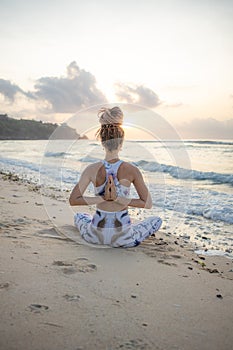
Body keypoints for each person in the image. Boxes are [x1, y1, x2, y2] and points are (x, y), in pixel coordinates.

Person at [69, 106, 162, 247]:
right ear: (121, 141)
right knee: (156, 220)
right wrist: (118, 199)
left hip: (95, 236)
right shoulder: (132, 170)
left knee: (79, 216)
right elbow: (147, 203)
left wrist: (102, 198)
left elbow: (73, 200)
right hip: (123, 238)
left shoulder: (91, 169)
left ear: (102, 141)